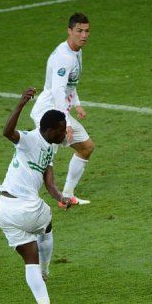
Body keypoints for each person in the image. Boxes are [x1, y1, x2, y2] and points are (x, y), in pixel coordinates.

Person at [0, 87, 77, 304]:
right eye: (62, 130)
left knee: (30, 258)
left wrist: (60, 196)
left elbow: (49, 183)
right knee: (47, 218)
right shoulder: (29, 139)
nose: (65, 134)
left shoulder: (50, 147)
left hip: (3, 210)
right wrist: (21, 104)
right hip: (23, 207)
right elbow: (7, 132)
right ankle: (46, 269)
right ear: (50, 130)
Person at [30, 12, 93, 207]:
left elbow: (69, 85)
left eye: (87, 31)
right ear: (69, 31)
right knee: (42, 157)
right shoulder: (64, 58)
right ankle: (27, 195)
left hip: (56, 110)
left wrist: (77, 104)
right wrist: (64, 123)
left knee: (85, 147)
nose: (83, 35)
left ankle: (66, 194)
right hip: (48, 112)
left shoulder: (76, 52)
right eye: (79, 31)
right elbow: (57, 91)